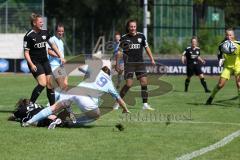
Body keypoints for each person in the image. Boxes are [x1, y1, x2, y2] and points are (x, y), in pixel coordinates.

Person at [22, 61, 130, 128]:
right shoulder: (109, 83)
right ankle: (70, 123)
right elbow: (119, 99)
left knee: (54, 107)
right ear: (109, 75)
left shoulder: (95, 71)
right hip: (86, 100)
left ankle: (29, 122)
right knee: (96, 115)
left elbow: (80, 68)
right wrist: (125, 108)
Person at [23, 13, 65, 106]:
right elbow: (26, 53)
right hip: (35, 62)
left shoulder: (45, 32)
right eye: (40, 22)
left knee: (50, 85)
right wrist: (31, 64)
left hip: (45, 61)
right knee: (42, 83)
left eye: (42, 22)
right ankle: (30, 104)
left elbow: (52, 45)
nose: (42, 23)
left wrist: (60, 56)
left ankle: (52, 108)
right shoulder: (28, 36)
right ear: (34, 23)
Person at [114, 19, 155, 110]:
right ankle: (117, 102)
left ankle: (145, 104)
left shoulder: (141, 36)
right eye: (131, 27)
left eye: (134, 26)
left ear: (136, 27)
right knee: (128, 84)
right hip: (129, 64)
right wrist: (116, 64)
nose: (133, 28)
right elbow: (119, 52)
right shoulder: (124, 38)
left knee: (144, 82)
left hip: (140, 63)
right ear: (128, 27)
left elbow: (147, 47)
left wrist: (152, 58)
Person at [206, 28, 240, 105]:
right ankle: (211, 97)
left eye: (230, 35)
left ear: (233, 35)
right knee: (220, 85)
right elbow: (219, 55)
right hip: (228, 67)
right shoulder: (222, 45)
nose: (229, 36)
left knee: (238, 83)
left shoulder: (238, 44)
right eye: (227, 35)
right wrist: (220, 59)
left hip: (238, 66)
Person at [47, 23, 67, 101]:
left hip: (60, 66)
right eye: (59, 31)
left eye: (62, 31)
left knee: (61, 87)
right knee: (63, 87)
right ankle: (63, 107)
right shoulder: (52, 39)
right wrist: (59, 57)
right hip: (54, 66)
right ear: (56, 31)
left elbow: (61, 55)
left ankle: (51, 106)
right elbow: (49, 51)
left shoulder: (61, 42)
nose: (61, 33)